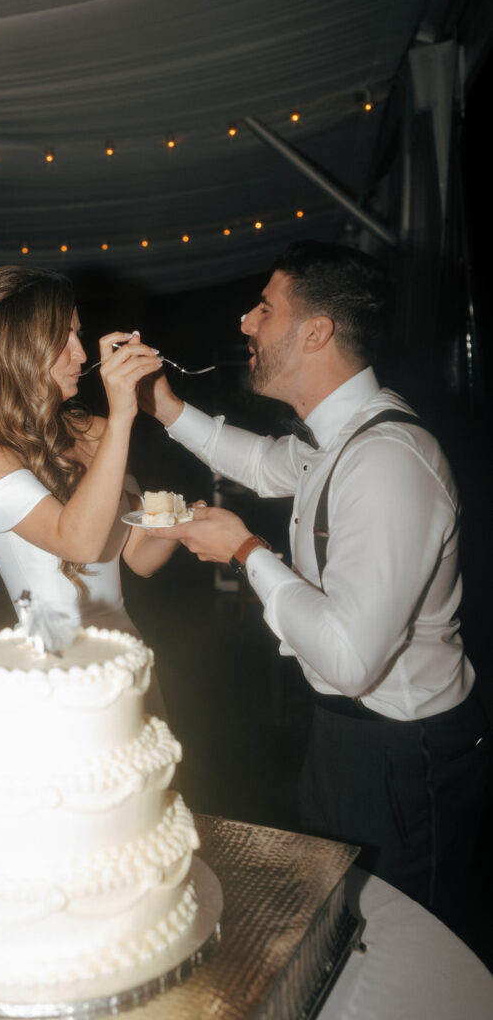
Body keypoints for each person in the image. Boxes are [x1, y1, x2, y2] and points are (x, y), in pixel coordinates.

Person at [139, 240, 490, 930]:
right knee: (344, 927)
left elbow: (350, 659)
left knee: (404, 941)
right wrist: (166, 407)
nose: (245, 322)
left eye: (263, 308)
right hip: (353, 738)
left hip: (403, 751)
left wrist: (245, 550)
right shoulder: (343, 437)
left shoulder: (387, 462)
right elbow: (267, 463)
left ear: (316, 331)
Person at [0, 265, 179, 715]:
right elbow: (80, 542)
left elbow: (140, 557)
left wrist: (183, 523)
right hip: (57, 672)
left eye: (78, 333)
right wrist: (125, 417)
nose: (81, 355)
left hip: (127, 654)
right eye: (62, 338)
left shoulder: (96, 432)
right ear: (17, 346)